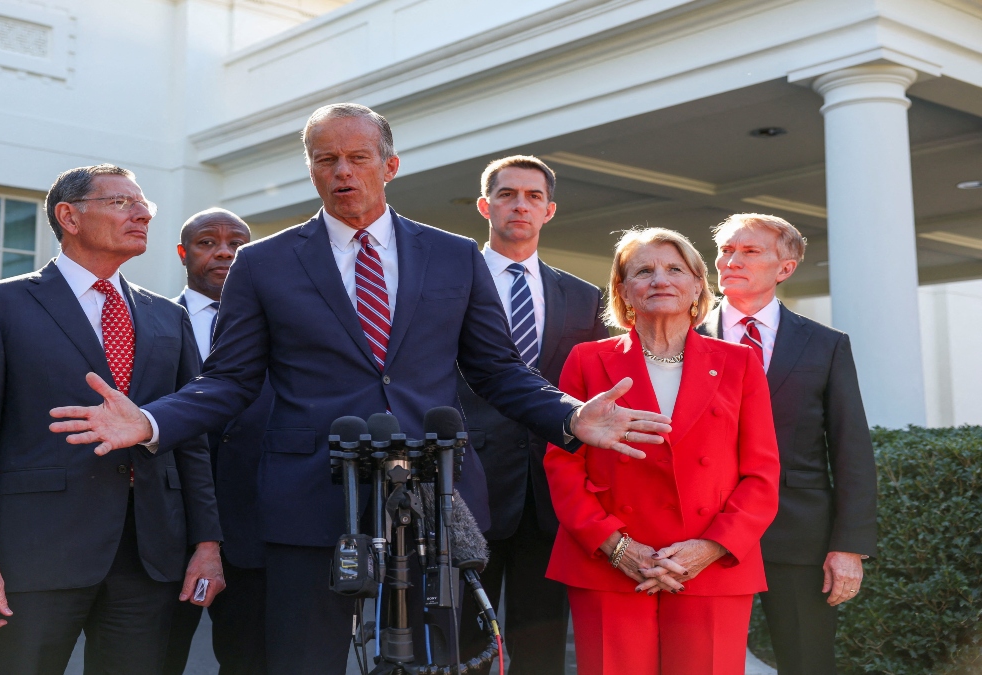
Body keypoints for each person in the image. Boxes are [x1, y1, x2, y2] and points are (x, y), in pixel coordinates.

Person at [47, 104, 671, 675]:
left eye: (358, 157)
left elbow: (498, 370)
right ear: (312, 170)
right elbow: (230, 381)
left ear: (390, 165)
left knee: (439, 662)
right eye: (326, 159)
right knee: (303, 660)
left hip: (434, 495)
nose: (342, 171)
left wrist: (569, 416)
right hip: (309, 499)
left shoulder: (455, 257)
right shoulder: (264, 263)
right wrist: (152, 422)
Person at [0, 164, 224, 675]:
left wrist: (207, 543)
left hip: (150, 556)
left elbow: (191, 442)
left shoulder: (167, 317)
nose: (141, 214)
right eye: (121, 203)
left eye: (145, 206)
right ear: (68, 216)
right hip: (35, 555)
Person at [544, 227, 780, 675]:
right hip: (610, 565)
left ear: (697, 286)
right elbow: (562, 464)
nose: (660, 279)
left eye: (675, 269)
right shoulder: (586, 360)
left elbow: (762, 473)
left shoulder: (739, 363)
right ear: (624, 291)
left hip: (709, 565)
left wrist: (708, 548)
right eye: (644, 271)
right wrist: (616, 547)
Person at [700, 213, 876, 675]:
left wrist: (849, 546)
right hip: (699, 533)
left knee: (807, 664)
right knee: (701, 662)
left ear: (786, 268)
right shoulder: (683, 337)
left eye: (750, 251)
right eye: (726, 250)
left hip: (799, 537)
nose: (731, 260)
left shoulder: (826, 345)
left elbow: (851, 448)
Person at [457, 155, 609, 673]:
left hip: (551, 492)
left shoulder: (585, 297)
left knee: (541, 649)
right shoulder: (449, 283)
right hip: (467, 486)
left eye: (533, 196)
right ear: (485, 206)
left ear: (549, 211)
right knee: (465, 646)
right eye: (507, 194)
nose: (520, 204)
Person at [165, 208, 271, 675]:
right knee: (153, 658)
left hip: (256, 522)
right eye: (208, 242)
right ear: (184, 254)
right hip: (167, 528)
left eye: (238, 243)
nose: (225, 251)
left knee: (250, 661)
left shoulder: (284, 329)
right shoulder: (150, 323)